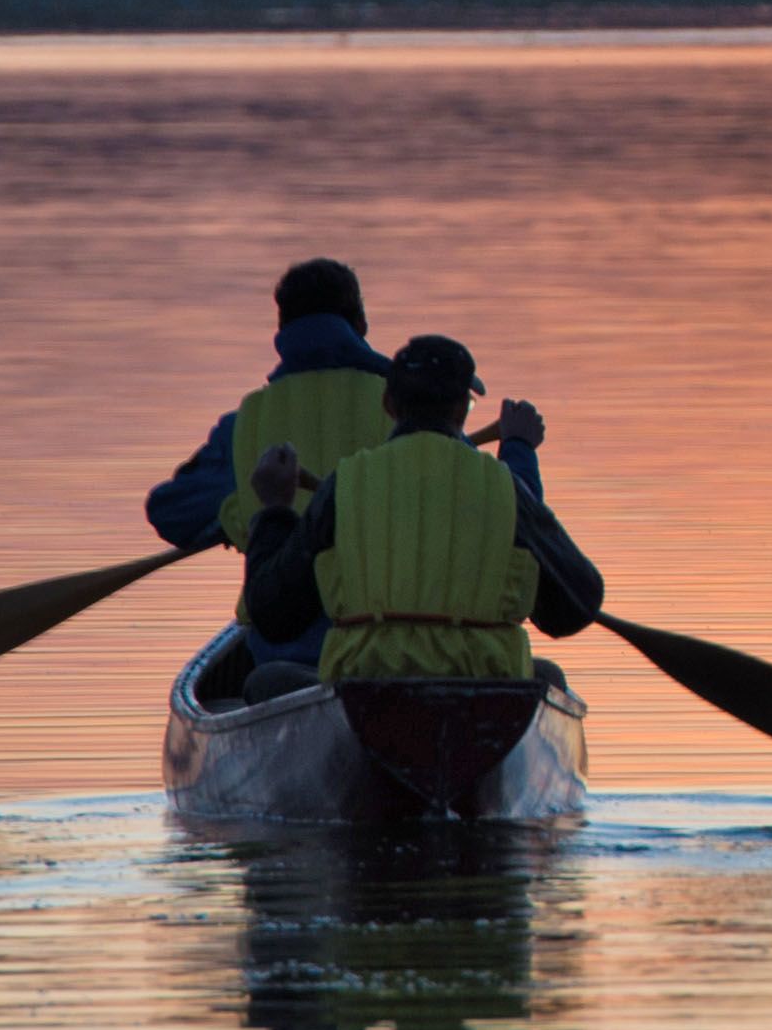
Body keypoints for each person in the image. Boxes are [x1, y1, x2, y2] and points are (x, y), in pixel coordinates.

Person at [231, 333, 611, 809]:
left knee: (264, 683)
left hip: (365, 698)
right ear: (462, 412)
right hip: (484, 699)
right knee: (547, 676)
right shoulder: (505, 488)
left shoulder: (344, 485)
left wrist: (274, 511)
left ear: (389, 404)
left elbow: (273, 613)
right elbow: (576, 607)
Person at [149, 260, 399, 588]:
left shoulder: (243, 424)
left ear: (280, 332)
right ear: (361, 325)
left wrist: (237, 517)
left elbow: (171, 511)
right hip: (381, 614)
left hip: (283, 626)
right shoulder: (405, 409)